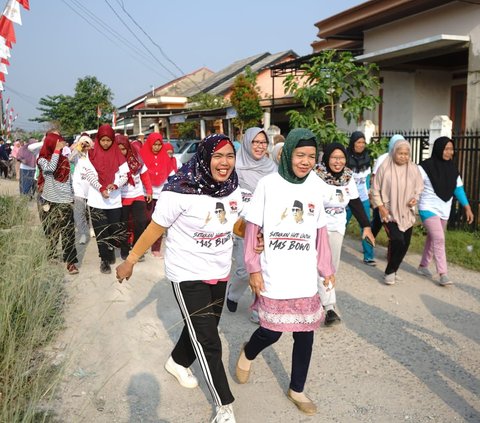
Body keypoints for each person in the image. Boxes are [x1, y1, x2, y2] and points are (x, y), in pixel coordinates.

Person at [116, 134, 251, 423]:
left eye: (229, 156)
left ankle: (177, 361)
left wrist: (250, 234)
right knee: (208, 339)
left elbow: (234, 223)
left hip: (219, 269)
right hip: (187, 273)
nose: (224, 162)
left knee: (205, 326)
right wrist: (130, 261)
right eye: (218, 156)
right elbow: (155, 229)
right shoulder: (179, 191)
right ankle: (224, 406)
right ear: (205, 157)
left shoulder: (232, 187)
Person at [235, 128, 335, 417]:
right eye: (300, 155)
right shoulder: (268, 185)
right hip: (273, 272)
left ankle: (297, 388)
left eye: (311, 157)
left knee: (305, 334)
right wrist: (253, 269)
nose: (305, 161)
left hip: (303, 275)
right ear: (289, 153)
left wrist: (326, 268)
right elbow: (252, 229)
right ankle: (249, 351)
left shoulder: (314, 187)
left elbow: (320, 232)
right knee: (271, 331)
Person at [314, 142, 375, 325]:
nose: (338, 161)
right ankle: (329, 307)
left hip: (337, 227)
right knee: (319, 265)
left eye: (341, 158)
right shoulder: (315, 176)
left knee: (332, 266)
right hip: (317, 227)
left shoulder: (348, 177)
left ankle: (322, 300)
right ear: (327, 158)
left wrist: (366, 226)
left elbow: (355, 203)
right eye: (334, 157)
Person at [225, 127, 277, 323]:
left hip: (265, 227)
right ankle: (233, 292)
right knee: (244, 270)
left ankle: (258, 310)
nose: (260, 146)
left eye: (263, 142)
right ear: (247, 142)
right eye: (255, 142)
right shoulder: (234, 166)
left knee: (262, 269)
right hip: (242, 226)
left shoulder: (272, 168)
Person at [417, 136, 474, 286]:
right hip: (427, 208)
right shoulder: (424, 167)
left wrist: (467, 207)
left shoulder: (452, 169)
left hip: (444, 209)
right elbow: (415, 185)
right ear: (438, 149)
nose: (450, 152)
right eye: (446, 149)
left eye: (451, 149)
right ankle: (443, 273)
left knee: (433, 238)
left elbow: (458, 189)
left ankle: (423, 266)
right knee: (439, 238)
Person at [371, 139, 424, 285]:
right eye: (400, 153)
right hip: (389, 212)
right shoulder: (385, 167)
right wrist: (381, 207)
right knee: (397, 240)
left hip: (407, 212)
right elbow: (375, 188)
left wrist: (415, 198)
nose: (403, 156)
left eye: (406, 154)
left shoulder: (413, 168)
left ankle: (393, 270)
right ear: (394, 152)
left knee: (405, 244)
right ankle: (389, 272)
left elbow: (419, 186)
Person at [84, 124, 129, 274]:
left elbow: (124, 176)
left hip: (114, 200)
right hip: (96, 200)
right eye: (102, 140)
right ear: (98, 139)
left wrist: (115, 185)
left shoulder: (118, 154)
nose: (105, 143)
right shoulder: (91, 154)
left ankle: (110, 250)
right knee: (101, 230)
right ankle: (104, 260)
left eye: (108, 140)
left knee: (114, 228)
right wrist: (101, 188)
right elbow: (89, 175)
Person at [36, 132, 79, 275]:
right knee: (51, 231)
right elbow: (50, 168)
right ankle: (52, 254)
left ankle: (71, 262)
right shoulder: (42, 159)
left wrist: (71, 195)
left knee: (68, 232)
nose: (60, 146)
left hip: (65, 200)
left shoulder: (64, 159)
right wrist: (55, 151)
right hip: (50, 200)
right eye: (57, 143)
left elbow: (68, 180)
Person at [116, 134, 152, 261]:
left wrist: (149, 190)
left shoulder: (136, 159)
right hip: (121, 197)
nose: (121, 152)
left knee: (141, 222)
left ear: (128, 147)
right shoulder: (114, 161)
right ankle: (124, 250)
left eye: (123, 149)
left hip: (137, 195)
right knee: (123, 225)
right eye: (118, 149)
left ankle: (137, 248)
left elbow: (145, 175)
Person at [140, 132, 176, 257]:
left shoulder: (165, 157)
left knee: (159, 222)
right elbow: (139, 175)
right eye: (154, 145)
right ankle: (142, 245)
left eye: (159, 145)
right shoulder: (142, 156)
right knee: (144, 220)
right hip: (146, 193)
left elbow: (172, 175)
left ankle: (156, 247)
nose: (157, 147)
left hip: (161, 194)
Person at [346, 131, 376, 266]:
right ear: (353, 143)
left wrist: (369, 195)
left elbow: (368, 179)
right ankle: (327, 251)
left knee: (366, 226)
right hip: (347, 199)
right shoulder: (345, 158)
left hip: (362, 199)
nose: (361, 145)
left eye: (363, 142)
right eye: (358, 142)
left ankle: (369, 256)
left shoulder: (367, 158)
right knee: (340, 225)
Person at [370, 134, 405, 240]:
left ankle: (392, 252)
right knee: (377, 223)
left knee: (395, 228)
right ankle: (368, 243)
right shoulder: (383, 159)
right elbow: (374, 178)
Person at [70, 133, 94, 245]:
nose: (85, 145)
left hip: (93, 188)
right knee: (79, 212)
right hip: (78, 188)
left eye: (87, 143)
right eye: (83, 143)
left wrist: (90, 147)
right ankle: (83, 233)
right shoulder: (76, 155)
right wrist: (78, 147)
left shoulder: (93, 155)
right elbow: (68, 159)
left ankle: (92, 229)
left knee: (92, 212)